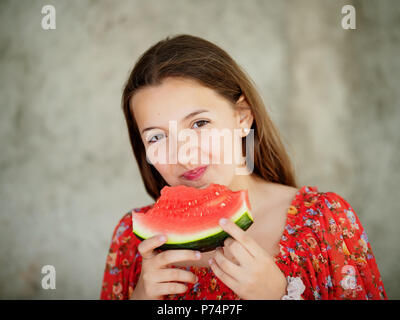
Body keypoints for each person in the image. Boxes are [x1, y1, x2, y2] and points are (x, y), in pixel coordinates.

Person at [100, 34, 387, 300]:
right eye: (157, 137)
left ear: (242, 118)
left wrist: (280, 295)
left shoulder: (326, 222)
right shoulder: (131, 240)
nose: (184, 156)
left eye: (199, 124)